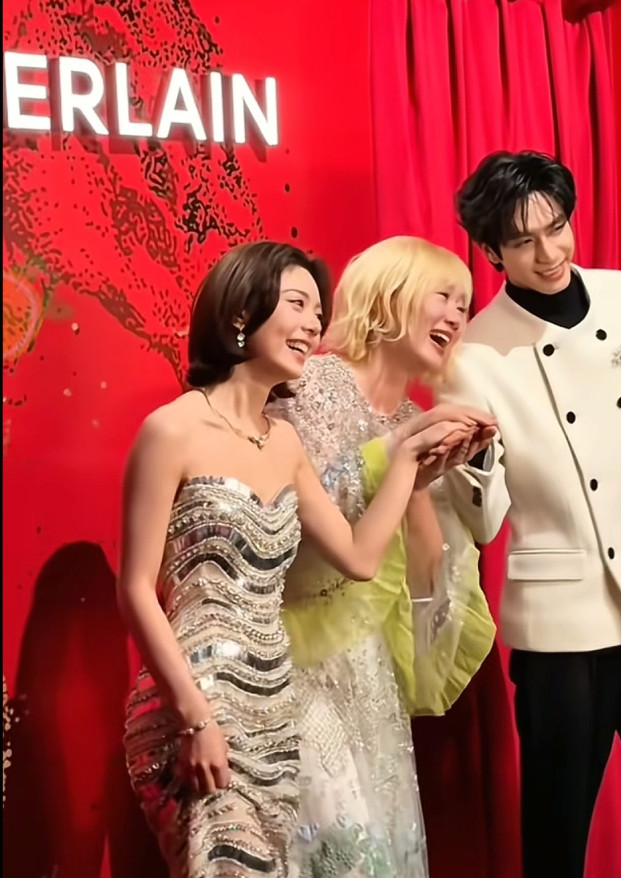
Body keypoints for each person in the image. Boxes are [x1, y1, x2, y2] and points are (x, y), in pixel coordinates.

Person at [118, 240, 487, 878]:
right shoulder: (171, 430)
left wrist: (408, 461)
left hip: (275, 704)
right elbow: (135, 590)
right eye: (297, 304)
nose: (314, 325)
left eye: (318, 311)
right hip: (196, 699)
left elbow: (359, 557)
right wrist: (196, 716)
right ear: (242, 314)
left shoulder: (283, 441)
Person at [441, 149, 621, 878]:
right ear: (491, 252)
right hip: (560, 626)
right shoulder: (473, 356)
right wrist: (473, 460)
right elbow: (483, 522)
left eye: (556, 228)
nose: (548, 253)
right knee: (557, 834)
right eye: (523, 242)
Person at [270, 236, 499, 878]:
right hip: (295, 664)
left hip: (370, 671)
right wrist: (396, 463)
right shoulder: (306, 382)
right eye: (444, 296)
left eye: (465, 304)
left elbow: (427, 577)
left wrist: (438, 479)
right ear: (390, 295)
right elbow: (289, 519)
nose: (457, 316)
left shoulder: (413, 417)